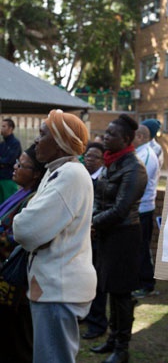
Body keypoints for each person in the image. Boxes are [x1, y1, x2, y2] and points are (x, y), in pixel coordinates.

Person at [12, 109, 97, 363]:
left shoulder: (70, 175)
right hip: (52, 286)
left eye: (42, 134)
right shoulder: (57, 170)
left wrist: (26, 219)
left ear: (60, 143)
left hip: (59, 288)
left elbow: (25, 230)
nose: (36, 140)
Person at [89, 114, 147, 363]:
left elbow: (121, 208)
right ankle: (112, 339)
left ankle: (122, 349)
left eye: (111, 134)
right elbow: (100, 199)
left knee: (122, 295)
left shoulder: (134, 168)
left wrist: (92, 223)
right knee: (110, 290)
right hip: (107, 235)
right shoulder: (111, 163)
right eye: (105, 133)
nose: (105, 137)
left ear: (125, 139)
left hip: (124, 236)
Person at [0, 144, 46, 363]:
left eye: (21, 165)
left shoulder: (34, 200)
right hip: (8, 277)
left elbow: (21, 237)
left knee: (19, 343)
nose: (15, 168)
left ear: (36, 174)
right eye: (16, 162)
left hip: (19, 282)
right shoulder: (21, 194)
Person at [82, 141, 108, 339]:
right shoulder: (83, 178)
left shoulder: (104, 180)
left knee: (97, 281)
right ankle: (86, 313)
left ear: (103, 160)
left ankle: (98, 322)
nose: (89, 160)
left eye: (94, 157)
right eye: (87, 156)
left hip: (99, 235)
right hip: (84, 236)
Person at [132, 124, 160, 298]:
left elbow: (138, 182)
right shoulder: (139, 153)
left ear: (141, 137)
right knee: (137, 247)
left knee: (142, 247)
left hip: (143, 208)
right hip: (137, 208)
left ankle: (147, 284)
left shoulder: (147, 155)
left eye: (132, 136)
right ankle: (139, 281)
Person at [0, 118, 22, 204]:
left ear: (11, 128)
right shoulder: (2, 144)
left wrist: (3, 162)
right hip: (1, 178)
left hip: (9, 179)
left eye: (4, 126)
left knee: (9, 204)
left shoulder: (15, 144)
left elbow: (9, 161)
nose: (1, 128)